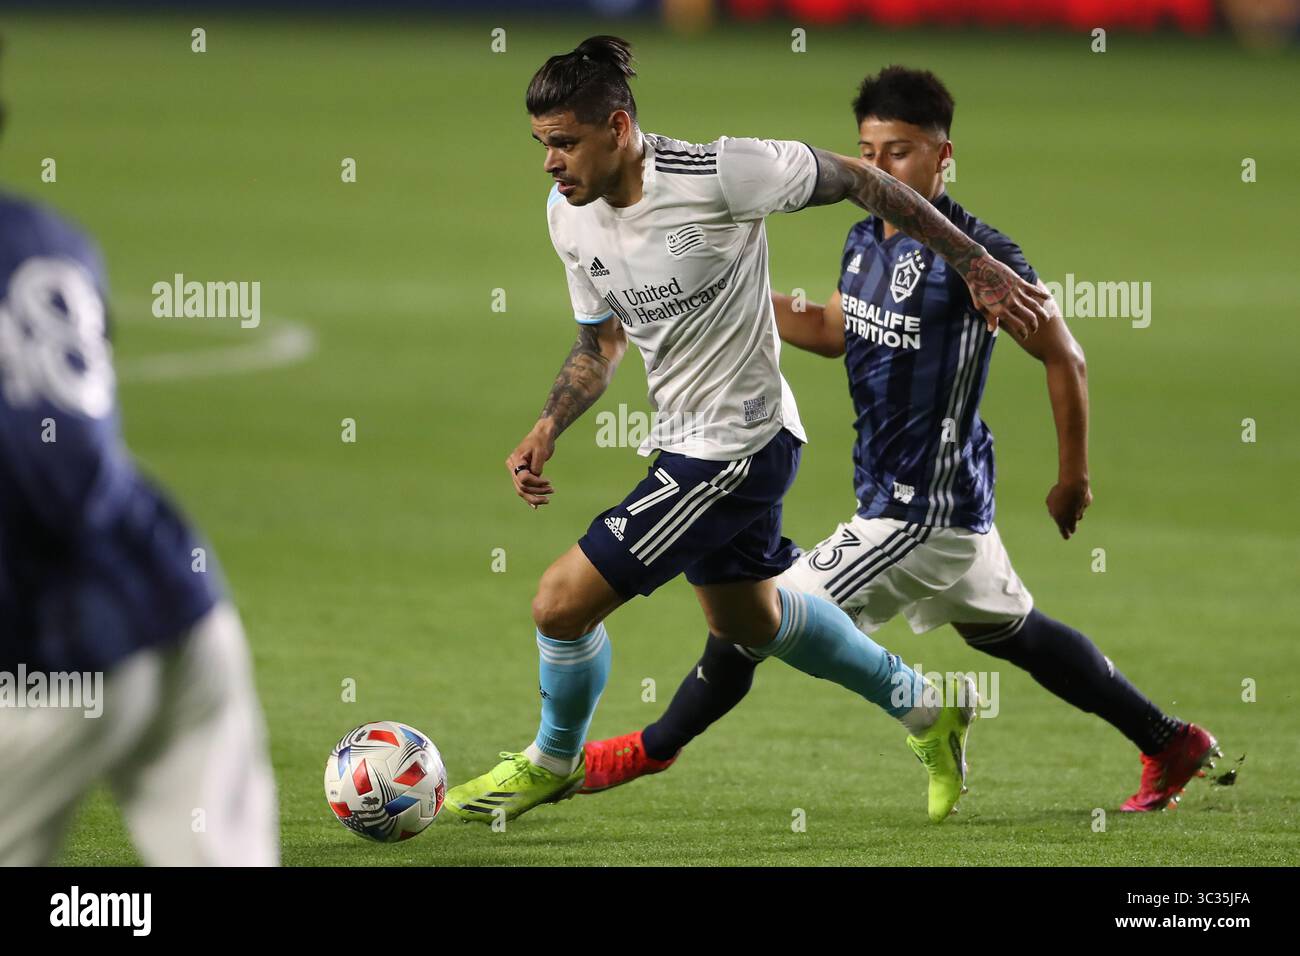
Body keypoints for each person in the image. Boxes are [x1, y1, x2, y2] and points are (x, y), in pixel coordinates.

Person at [444, 38, 1051, 826]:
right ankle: (927, 711)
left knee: (559, 604)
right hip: (692, 440)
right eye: (542, 145)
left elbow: (859, 177)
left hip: (737, 448)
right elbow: (601, 342)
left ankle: (553, 761)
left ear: (618, 127)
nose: (551, 163)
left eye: (564, 142)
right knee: (752, 620)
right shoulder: (568, 215)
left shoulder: (723, 173)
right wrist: (548, 424)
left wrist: (973, 262)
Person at [582, 66, 1219, 814]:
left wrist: (1072, 476)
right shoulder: (865, 239)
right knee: (1016, 635)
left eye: (901, 151)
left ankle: (648, 750)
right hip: (931, 503)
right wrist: (725, 292)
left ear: (943, 158)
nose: (880, 167)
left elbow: (1062, 354)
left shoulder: (978, 255)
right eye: (868, 149)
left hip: (919, 511)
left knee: (763, 617)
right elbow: (828, 332)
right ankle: (1170, 739)